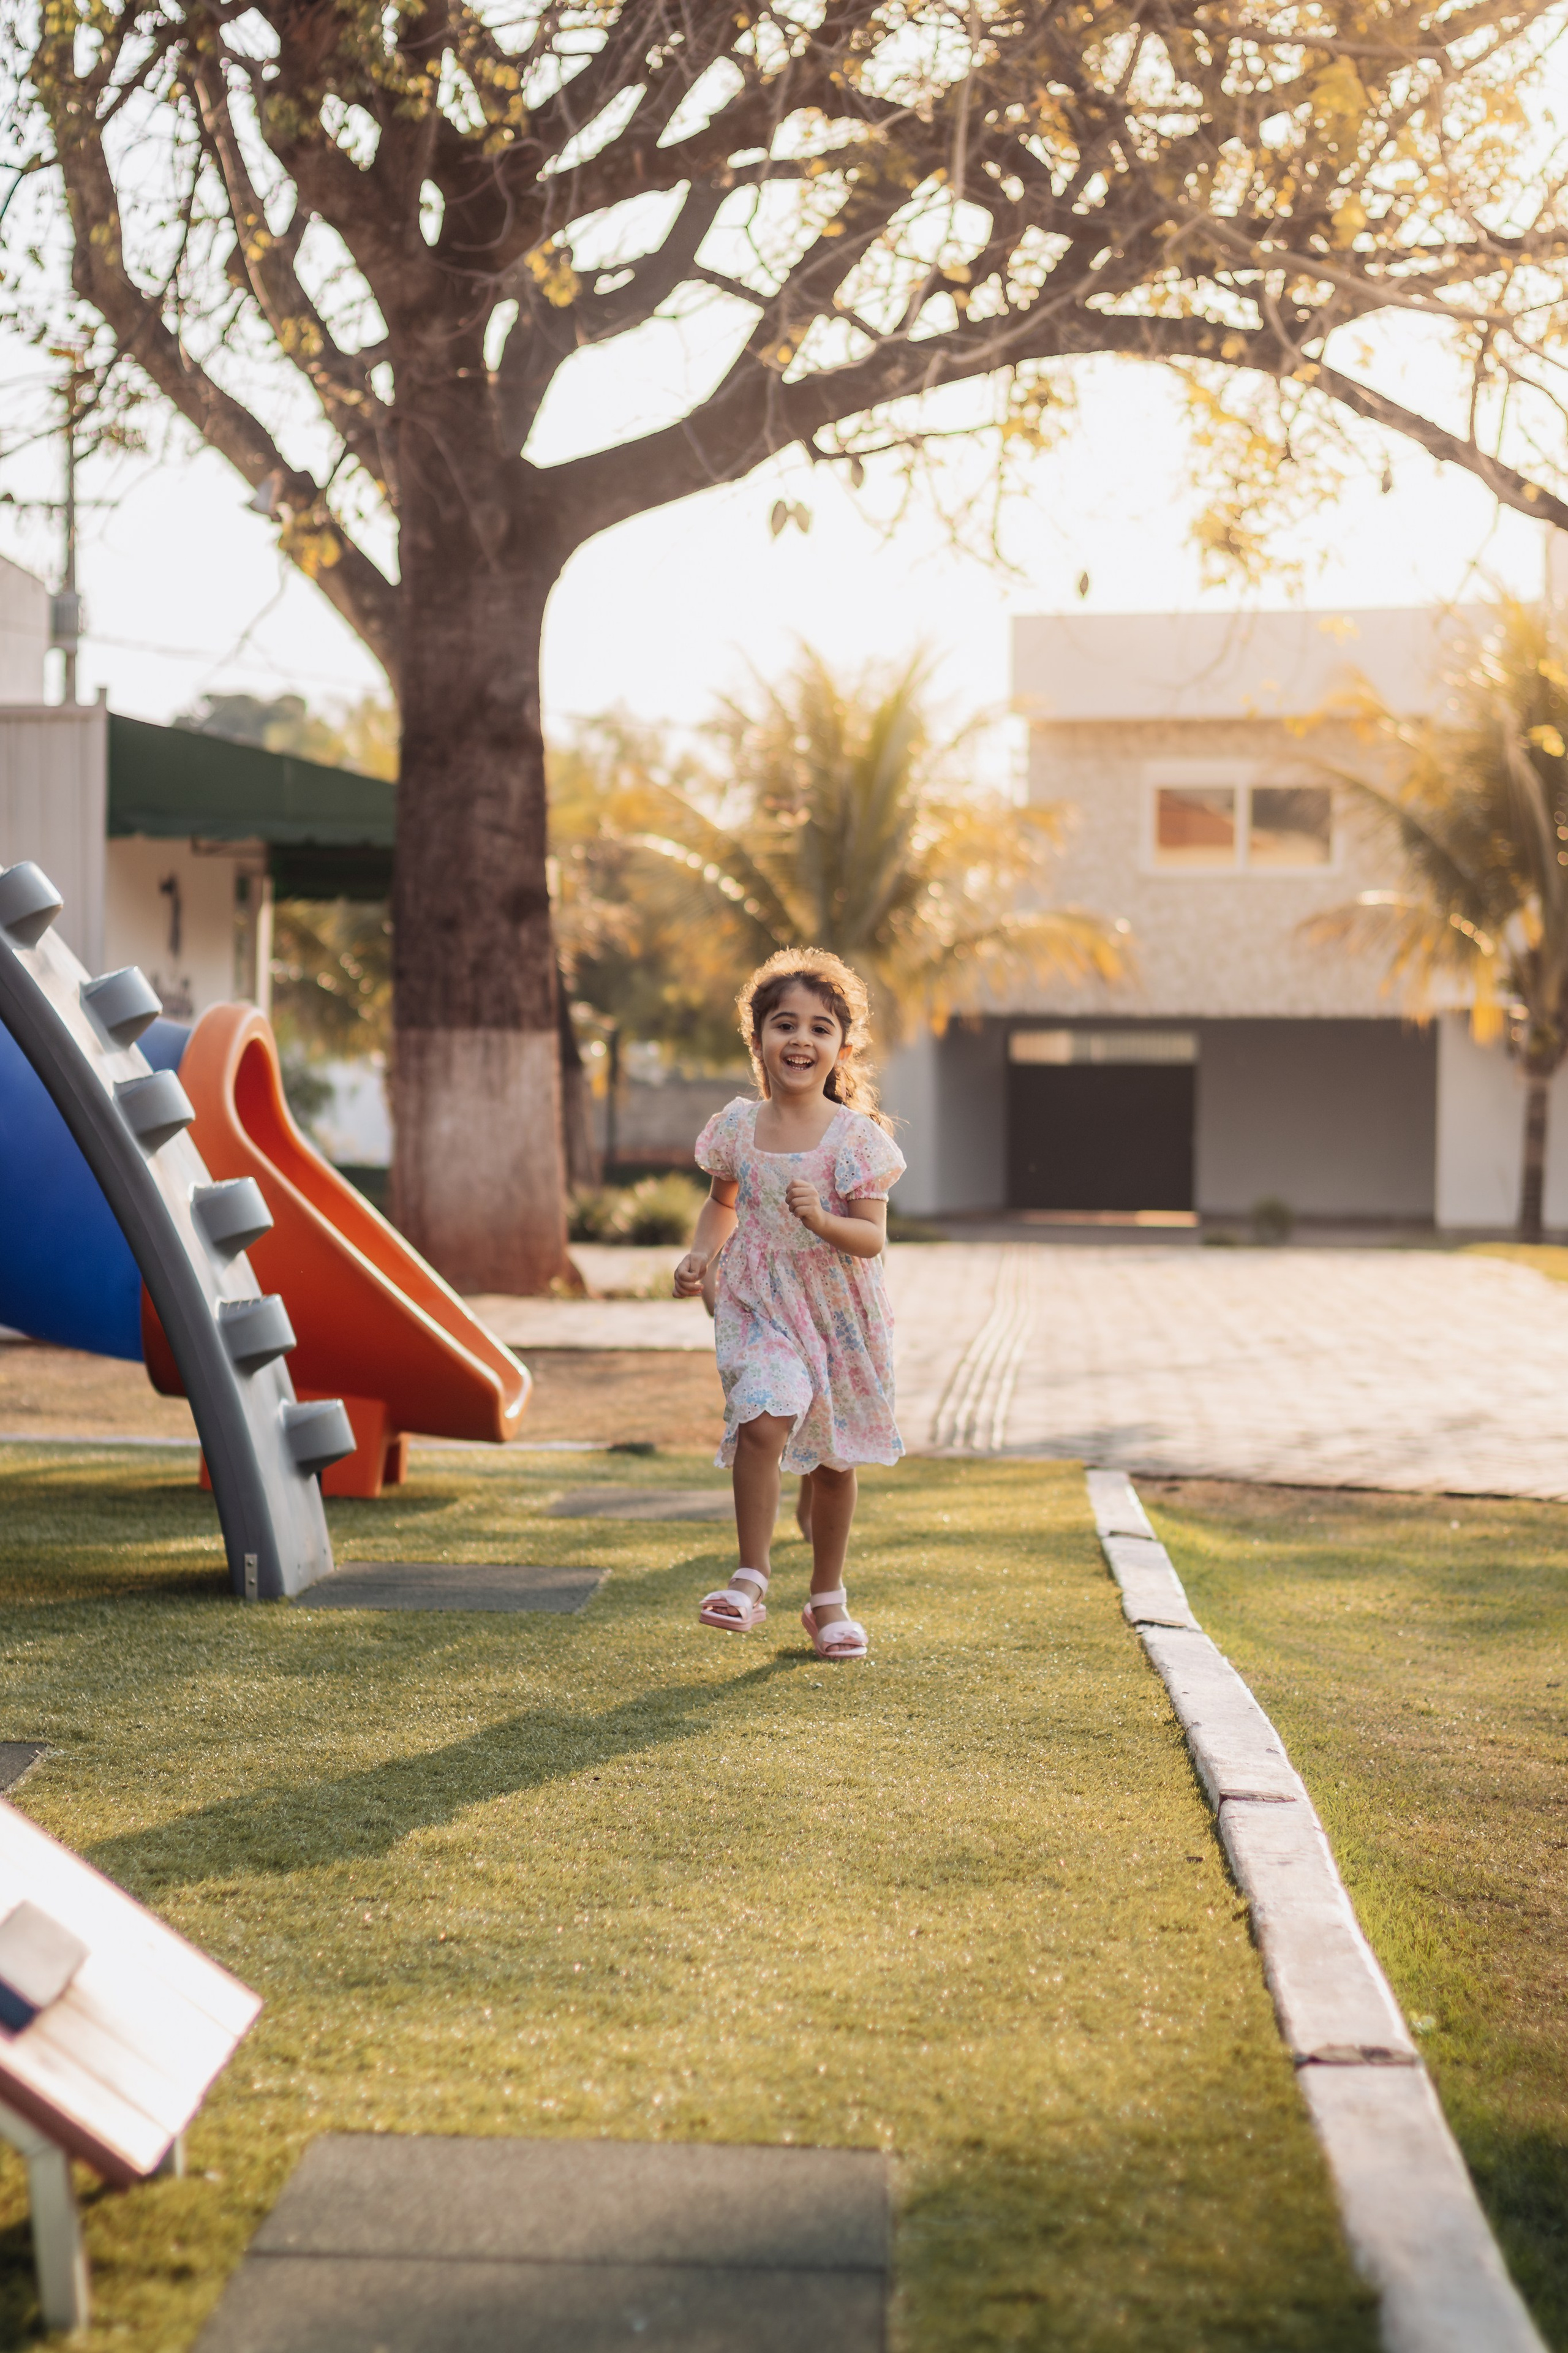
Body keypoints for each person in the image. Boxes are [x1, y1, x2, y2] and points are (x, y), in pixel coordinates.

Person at [674, 948, 905, 1661]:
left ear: (841, 1045)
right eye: (783, 1024)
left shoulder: (857, 1140)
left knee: (834, 1464)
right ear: (758, 1039)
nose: (800, 1040)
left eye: (819, 1028)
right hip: (759, 1304)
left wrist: (822, 1221)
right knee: (763, 1416)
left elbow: (870, 1239)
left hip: (838, 1313)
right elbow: (722, 1203)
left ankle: (826, 1599)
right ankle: (750, 1576)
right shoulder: (738, 1128)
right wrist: (699, 1254)